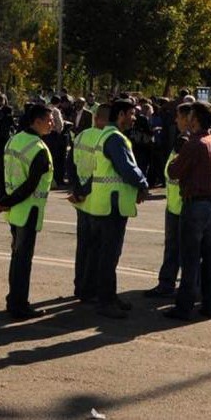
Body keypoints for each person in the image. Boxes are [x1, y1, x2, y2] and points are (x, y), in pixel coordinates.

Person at [163, 101, 211, 321]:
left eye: (191, 116)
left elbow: (174, 171)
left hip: (196, 205)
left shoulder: (193, 143)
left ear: (196, 119)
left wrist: (176, 157)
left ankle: (184, 307)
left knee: (190, 259)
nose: (188, 120)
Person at [87, 98, 148, 319]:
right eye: (131, 114)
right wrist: (143, 184)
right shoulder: (114, 138)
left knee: (108, 254)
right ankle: (105, 301)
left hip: (106, 205)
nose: (134, 118)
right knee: (108, 255)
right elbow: (127, 169)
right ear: (121, 115)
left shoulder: (108, 135)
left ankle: (110, 296)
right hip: (111, 206)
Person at [0, 103, 54, 320]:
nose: (52, 123)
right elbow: (31, 185)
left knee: (17, 257)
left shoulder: (14, 140)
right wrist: (6, 201)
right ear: (36, 121)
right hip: (28, 209)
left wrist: (2, 200)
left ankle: (14, 300)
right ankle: (19, 304)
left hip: (13, 210)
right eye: (49, 119)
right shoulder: (38, 148)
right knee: (22, 260)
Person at [144, 102, 192, 300]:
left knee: (179, 249)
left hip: (183, 206)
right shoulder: (182, 139)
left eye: (179, 116)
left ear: (189, 119)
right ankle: (170, 283)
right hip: (175, 204)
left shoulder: (186, 141)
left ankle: (170, 285)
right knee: (175, 248)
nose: (175, 120)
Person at [67, 103, 110, 303]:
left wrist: (77, 190)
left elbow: (71, 164)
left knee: (83, 246)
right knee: (97, 248)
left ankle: (79, 285)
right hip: (97, 199)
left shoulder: (81, 136)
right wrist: (85, 190)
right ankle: (89, 289)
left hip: (81, 200)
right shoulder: (107, 139)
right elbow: (101, 170)